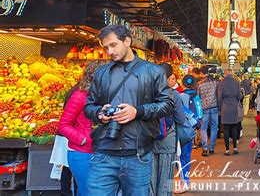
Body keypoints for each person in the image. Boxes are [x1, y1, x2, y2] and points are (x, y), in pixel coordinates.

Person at [84, 25, 174, 196]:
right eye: (106, 47)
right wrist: (99, 114)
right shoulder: (101, 73)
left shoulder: (153, 71)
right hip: (103, 154)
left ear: (127, 41)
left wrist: (137, 111)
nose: (109, 51)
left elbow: (167, 104)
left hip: (137, 155)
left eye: (113, 45)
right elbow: (88, 106)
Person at [58, 61, 102, 196]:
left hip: (99, 152)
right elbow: (63, 125)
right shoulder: (79, 96)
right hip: (81, 153)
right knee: (88, 191)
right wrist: (82, 139)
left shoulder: (103, 96)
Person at [150, 63, 186, 196]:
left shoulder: (145, 92)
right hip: (167, 141)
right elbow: (181, 119)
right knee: (165, 181)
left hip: (149, 141)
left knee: (150, 181)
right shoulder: (173, 94)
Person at [178, 75, 198, 190]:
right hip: (191, 129)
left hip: (182, 129)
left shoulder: (181, 96)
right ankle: (186, 179)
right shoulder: (196, 96)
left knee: (181, 155)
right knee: (186, 155)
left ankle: (184, 181)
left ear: (182, 83)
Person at [217, 69, 242, 156]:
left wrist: (220, 108)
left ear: (224, 74)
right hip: (234, 106)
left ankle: (227, 150)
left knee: (226, 129)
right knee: (234, 128)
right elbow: (240, 96)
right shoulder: (236, 82)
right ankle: (235, 148)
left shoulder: (221, 83)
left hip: (225, 106)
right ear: (232, 74)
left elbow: (219, 97)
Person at [197, 66, 219, 157]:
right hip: (214, 107)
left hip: (204, 108)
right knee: (214, 127)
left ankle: (205, 149)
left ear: (202, 73)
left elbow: (198, 98)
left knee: (203, 128)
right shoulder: (216, 82)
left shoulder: (199, 84)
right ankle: (212, 148)